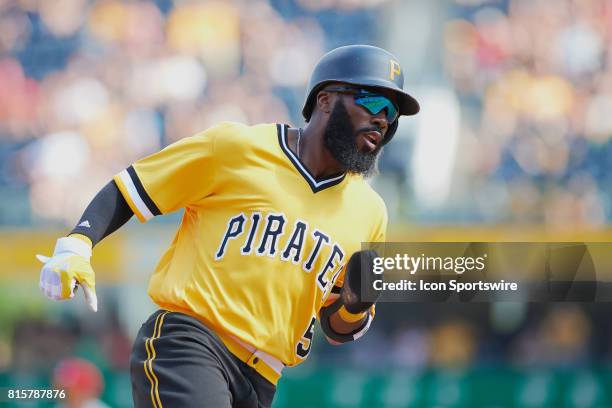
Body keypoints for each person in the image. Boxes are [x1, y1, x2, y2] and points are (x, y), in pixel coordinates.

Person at [37, 44, 420, 408]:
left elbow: (337, 326)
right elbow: (134, 187)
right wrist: (78, 243)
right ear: (324, 100)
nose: (383, 118)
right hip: (190, 343)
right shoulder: (236, 148)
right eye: (372, 100)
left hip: (263, 378)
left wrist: (358, 303)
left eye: (392, 112)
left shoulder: (371, 212)